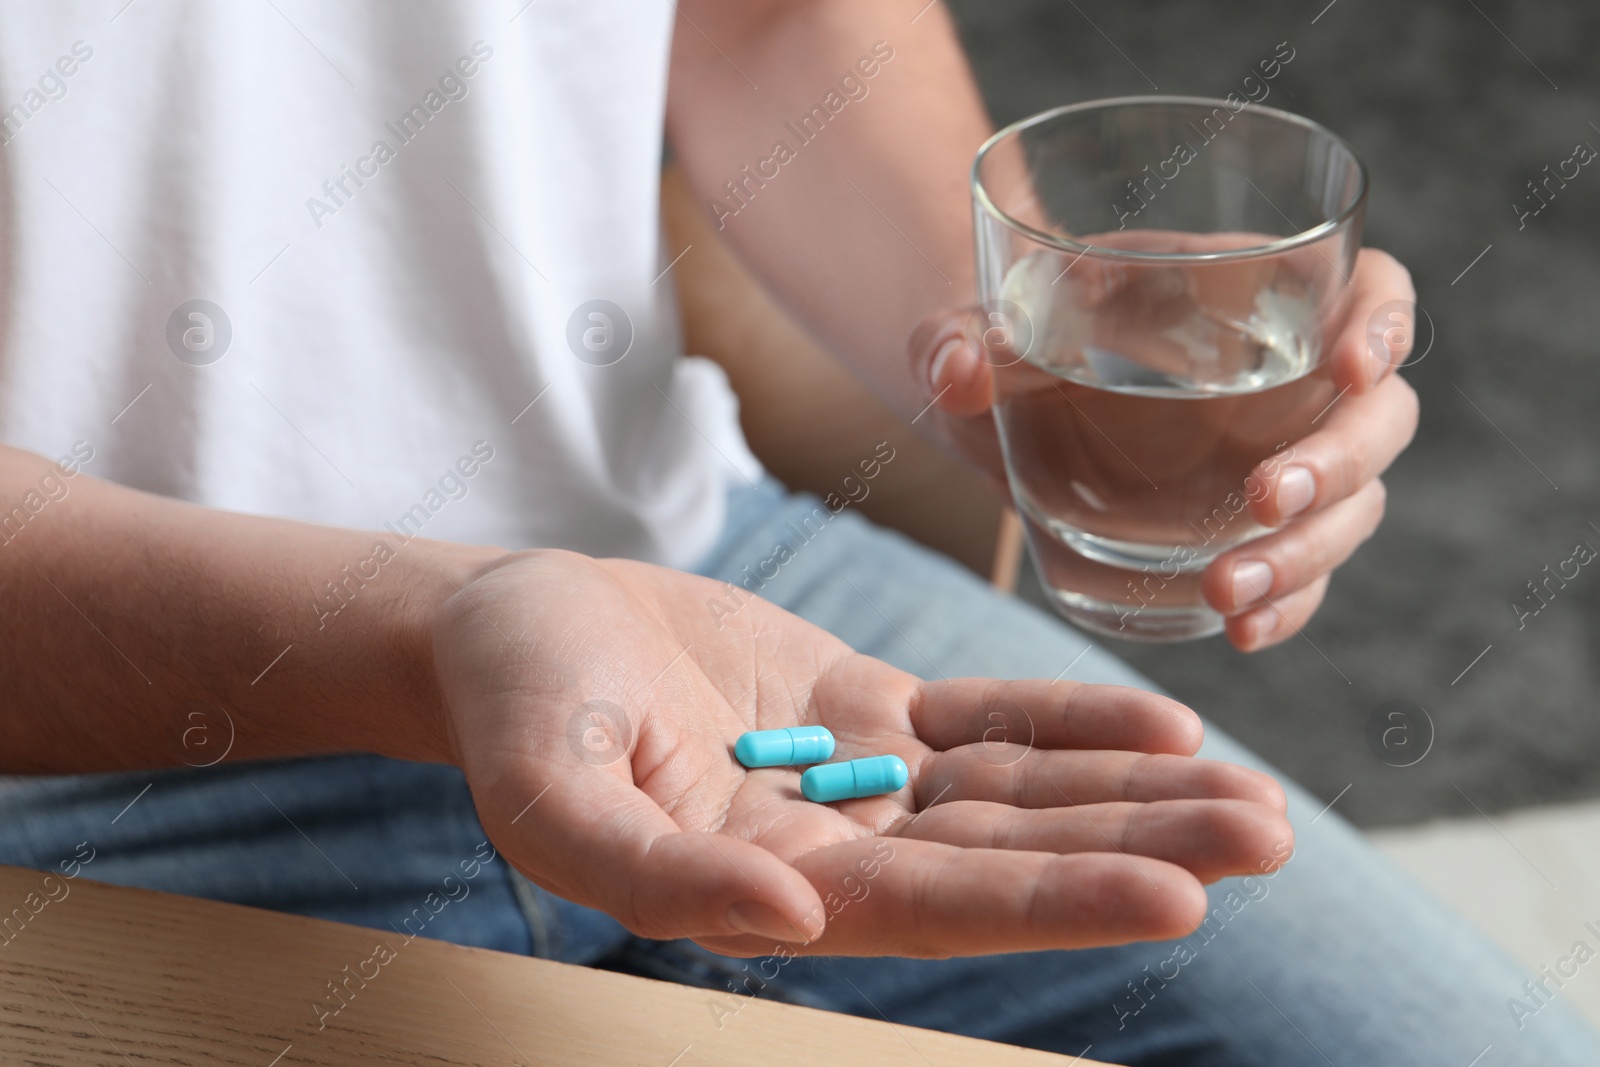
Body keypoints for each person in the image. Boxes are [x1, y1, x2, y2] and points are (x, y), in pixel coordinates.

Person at [0, 2, 1592, 1063]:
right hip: (98, 788)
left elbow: (768, 19)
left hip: (713, 608)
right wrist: (442, 626)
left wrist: (1018, 341)